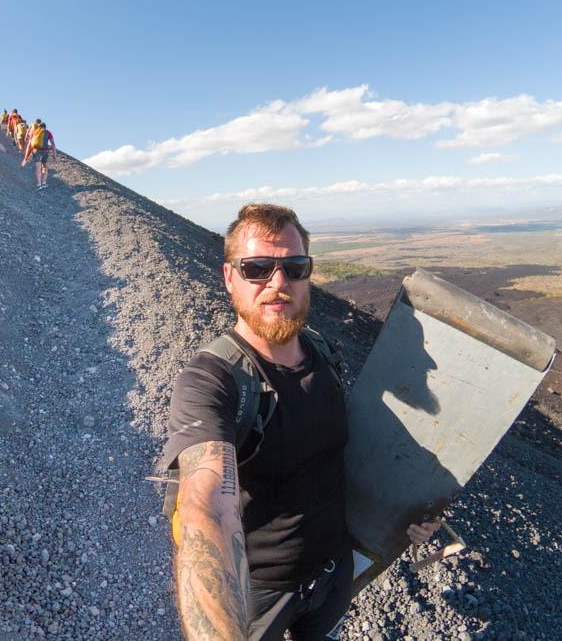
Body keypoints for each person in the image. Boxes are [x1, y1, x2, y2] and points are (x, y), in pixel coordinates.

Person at [160, 204, 439, 640]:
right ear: (229, 277)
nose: (277, 283)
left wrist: (405, 509)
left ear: (308, 275)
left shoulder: (322, 351)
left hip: (334, 571)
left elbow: (345, 455)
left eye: (294, 267)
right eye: (256, 268)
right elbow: (207, 505)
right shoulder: (211, 381)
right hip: (261, 596)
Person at [21, 122, 55, 189]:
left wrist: (26, 157)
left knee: (38, 168)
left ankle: (39, 184)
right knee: (45, 167)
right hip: (45, 151)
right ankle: (44, 182)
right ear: (45, 127)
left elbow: (29, 145)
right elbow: (53, 144)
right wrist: (54, 156)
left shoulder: (34, 132)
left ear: (39, 127)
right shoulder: (48, 132)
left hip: (36, 151)